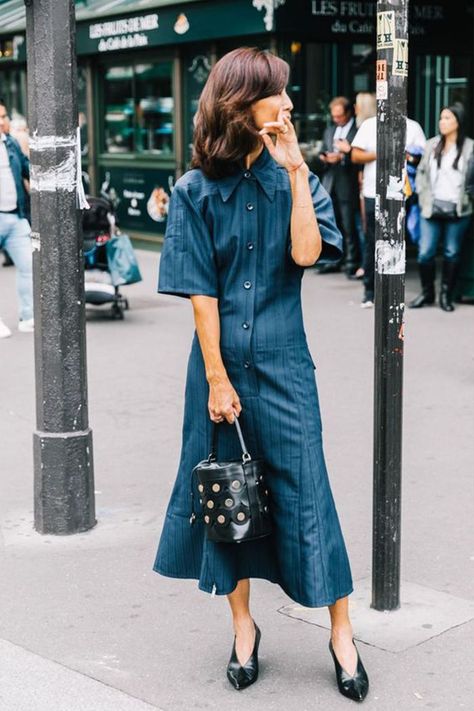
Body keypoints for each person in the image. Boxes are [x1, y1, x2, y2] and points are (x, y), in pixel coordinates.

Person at [153, 48, 369, 702]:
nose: (285, 103)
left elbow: (308, 252)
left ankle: (341, 633)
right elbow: (201, 296)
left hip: (284, 368)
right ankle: (244, 629)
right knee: (231, 500)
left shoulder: (291, 179)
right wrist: (218, 379)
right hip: (220, 373)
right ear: (238, 105)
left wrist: (299, 171)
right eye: (272, 93)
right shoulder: (194, 192)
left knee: (307, 494)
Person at [351, 114, 426, 307]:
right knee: (372, 240)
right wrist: (383, 152)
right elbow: (355, 155)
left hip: (401, 192)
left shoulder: (413, 126)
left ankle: (392, 291)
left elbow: (422, 159)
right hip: (372, 191)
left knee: (397, 241)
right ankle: (369, 291)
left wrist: (409, 156)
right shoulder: (369, 125)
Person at [409, 104, 473, 312]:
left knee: (451, 252)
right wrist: (421, 194)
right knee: (425, 252)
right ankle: (428, 293)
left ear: (458, 122)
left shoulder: (470, 147)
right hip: (431, 207)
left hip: (458, 208)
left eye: (447, 118)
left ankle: (446, 295)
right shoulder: (431, 145)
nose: (442, 122)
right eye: (441, 118)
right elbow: (420, 173)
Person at [0, 99, 33, 339]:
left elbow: (27, 169)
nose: (2, 122)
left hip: (16, 217)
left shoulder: (10, 143)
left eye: (3, 116)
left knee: (29, 266)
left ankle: (28, 316)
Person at [317, 96, 361, 277]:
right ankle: (334, 259)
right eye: (334, 116)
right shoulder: (329, 131)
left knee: (349, 225)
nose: (336, 120)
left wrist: (343, 157)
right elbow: (322, 150)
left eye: (340, 116)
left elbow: (359, 157)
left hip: (347, 182)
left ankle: (351, 261)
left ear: (349, 113)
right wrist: (325, 157)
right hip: (330, 182)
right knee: (331, 224)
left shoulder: (357, 131)